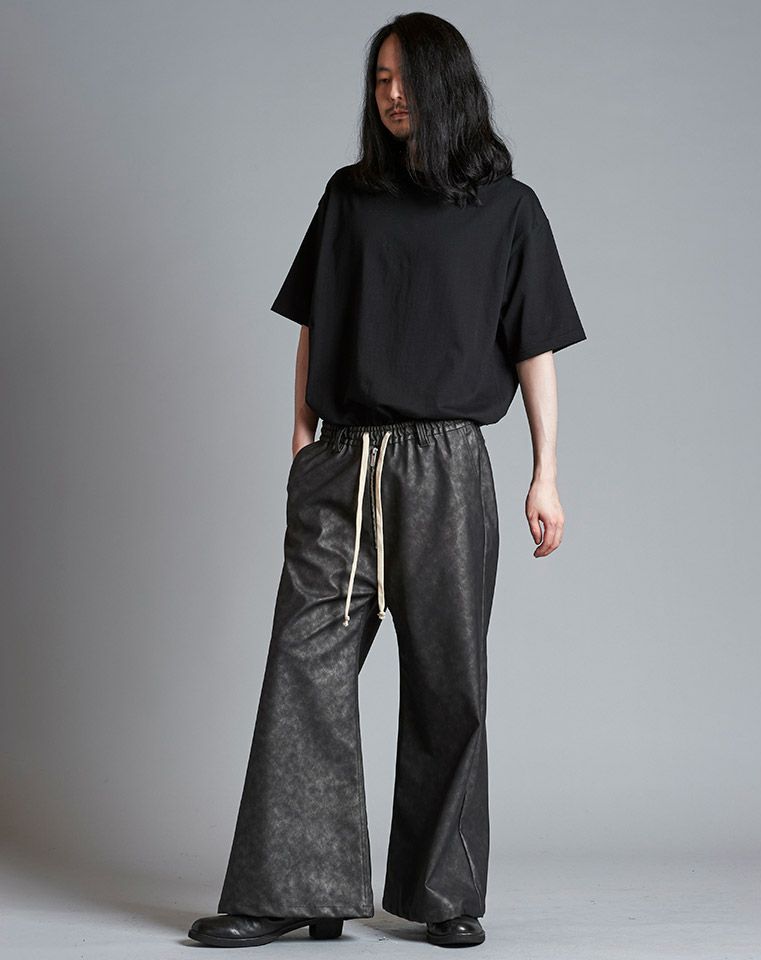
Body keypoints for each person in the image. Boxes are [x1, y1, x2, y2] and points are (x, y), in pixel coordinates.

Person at [188, 11, 586, 950]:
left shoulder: (508, 208)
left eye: (405, 78)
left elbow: (533, 348)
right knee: (304, 669)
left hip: (448, 464)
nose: (391, 95)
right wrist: (300, 444)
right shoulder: (350, 196)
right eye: (379, 80)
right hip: (345, 461)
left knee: (450, 681)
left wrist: (547, 474)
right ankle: (297, 890)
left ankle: (445, 896)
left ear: (446, 86)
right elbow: (314, 325)